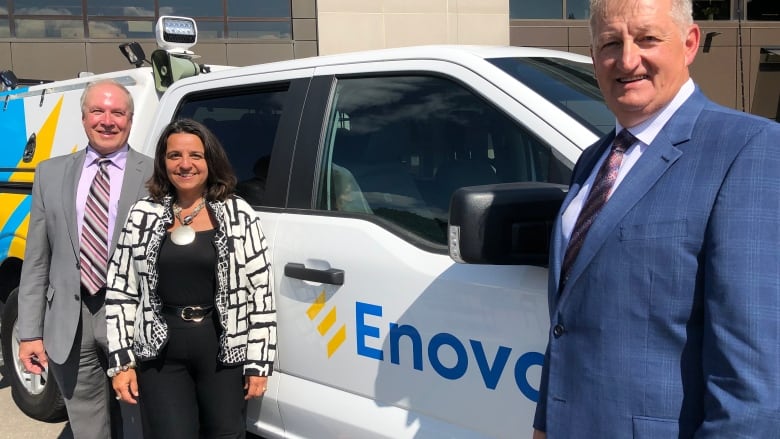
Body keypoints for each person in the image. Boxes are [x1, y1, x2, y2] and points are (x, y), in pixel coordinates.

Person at [533, 0, 780, 437]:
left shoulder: (748, 148)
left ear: (689, 43)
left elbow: (753, 375)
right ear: (594, 57)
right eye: (610, 43)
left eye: (647, 38)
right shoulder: (594, 160)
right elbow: (567, 323)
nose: (627, 60)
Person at [105, 118, 276, 438]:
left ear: (210, 160)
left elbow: (261, 293)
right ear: (163, 162)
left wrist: (258, 362)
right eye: (174, 156)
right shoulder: (142, 213)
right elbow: (120, 290)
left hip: (222, 350)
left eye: (195, 156)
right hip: (160, 354)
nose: (185, 165)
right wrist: (122, 362)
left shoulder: (239, 214)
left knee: (227, 433)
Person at [17, 79, 153, 438]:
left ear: (130, 118)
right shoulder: (50, 172)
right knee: (87, 424)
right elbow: (37, 260)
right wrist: (29, 332)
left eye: (117, 112)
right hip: (69, 320)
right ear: (83, 118)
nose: (107, 120)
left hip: (133, 318)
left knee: (140, 421)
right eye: (98, 110)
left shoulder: (156, 175)